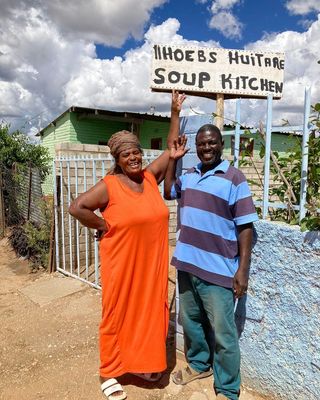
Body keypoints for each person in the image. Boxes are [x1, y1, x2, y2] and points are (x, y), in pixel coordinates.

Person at [69, 90, 188, 400]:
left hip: (151, 264)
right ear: (117, 160)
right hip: (122, 263)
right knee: (117, 314)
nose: (134, 158)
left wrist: (174, 111)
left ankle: (141, 363)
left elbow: (173, 147)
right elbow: (78, 207)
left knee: (148, 312)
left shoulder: (149, 178)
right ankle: (108, 371)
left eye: (137, 152)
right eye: (127, 155)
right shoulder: (109, 186)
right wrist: (103, 225)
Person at [164, 124, 258, 400]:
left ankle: (228, 389)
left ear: (221, 145)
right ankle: (198, 364)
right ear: (197, 146)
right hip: (187, 263)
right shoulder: (190, 175)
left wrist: (242, 270)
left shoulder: (234, 178)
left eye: (212, 143)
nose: (207, 148)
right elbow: (168, 191)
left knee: (223, 332)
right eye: (202, 144)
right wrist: (173, 159)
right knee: (191, 321)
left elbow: (245, 228)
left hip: (219, 269)